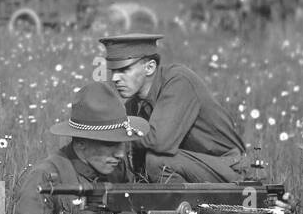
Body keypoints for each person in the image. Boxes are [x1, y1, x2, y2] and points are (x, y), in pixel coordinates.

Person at [8, 82, 148, 214]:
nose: (120, 154)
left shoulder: (115, 168)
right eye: (110, 144)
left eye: (123, 144)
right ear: (81, 142)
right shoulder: (44, 179)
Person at [104, 33, 249, 183]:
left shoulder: (178, 81)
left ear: (150, 67)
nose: (115, 78)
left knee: (157, 162)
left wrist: (113, 132)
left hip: (228, 168)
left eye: (123, 70)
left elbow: (160, 141)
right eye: (113, 71)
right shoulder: (134, 104)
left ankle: (184, 207)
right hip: (190, 166)